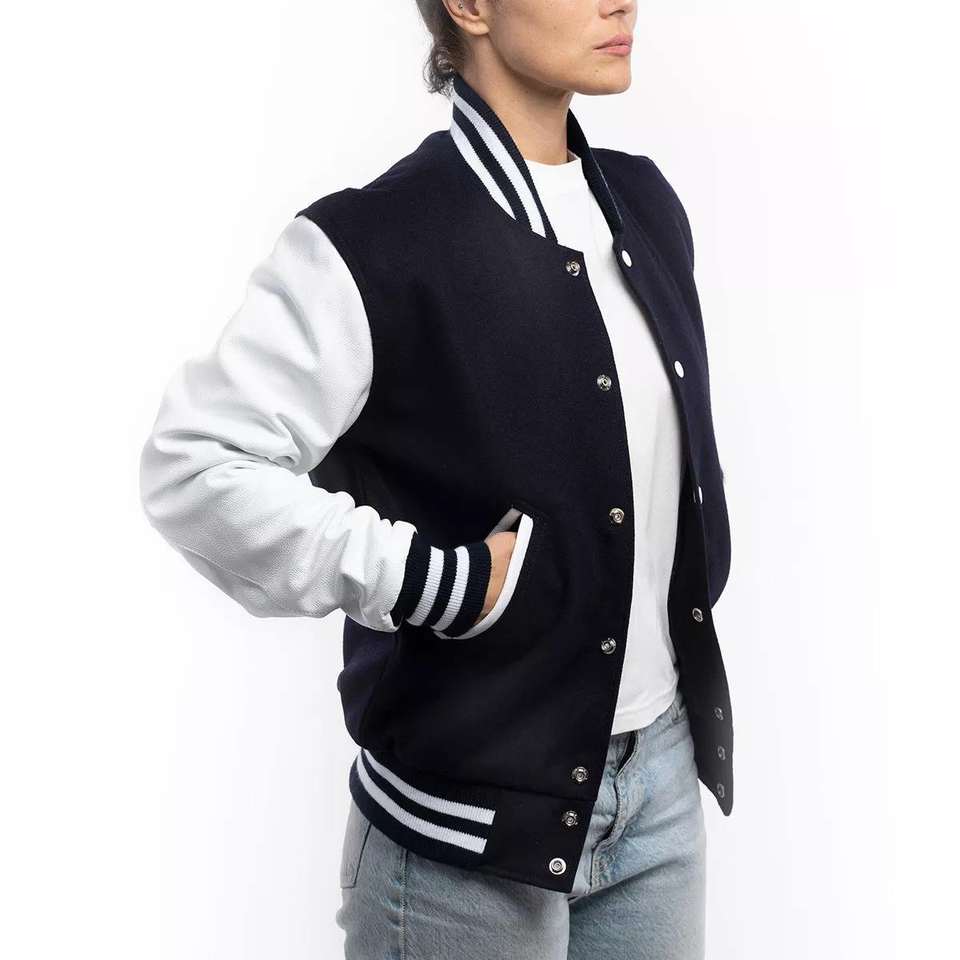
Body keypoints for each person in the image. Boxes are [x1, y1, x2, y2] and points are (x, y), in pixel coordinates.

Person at [139, 1, 734, 957]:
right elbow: (193, 464)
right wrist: (430, 581)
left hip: (659, 797)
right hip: (461, 838)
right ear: (470, 6)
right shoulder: (373, 242)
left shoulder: (646, 205)